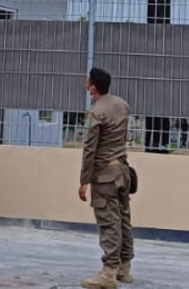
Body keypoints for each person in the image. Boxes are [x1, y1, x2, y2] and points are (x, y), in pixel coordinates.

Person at [78, 67, 134, 288]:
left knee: (109, 221)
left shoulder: (96, 112)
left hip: (104, 176)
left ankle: (108, 273)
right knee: (124, 218)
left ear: (93, 87)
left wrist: (84, 180)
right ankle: (124, 266)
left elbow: (89, 149)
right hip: (122, 169)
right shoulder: (122, 105)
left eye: (87, 81)